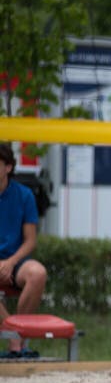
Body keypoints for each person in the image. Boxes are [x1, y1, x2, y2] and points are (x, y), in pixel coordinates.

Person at [0, 143, 47, 357]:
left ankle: (18, 341)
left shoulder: (24, 195)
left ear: (8, 167)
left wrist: (10, 262)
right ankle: (15, 338)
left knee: (37, 273)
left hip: (15, 260)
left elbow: (30, 241)